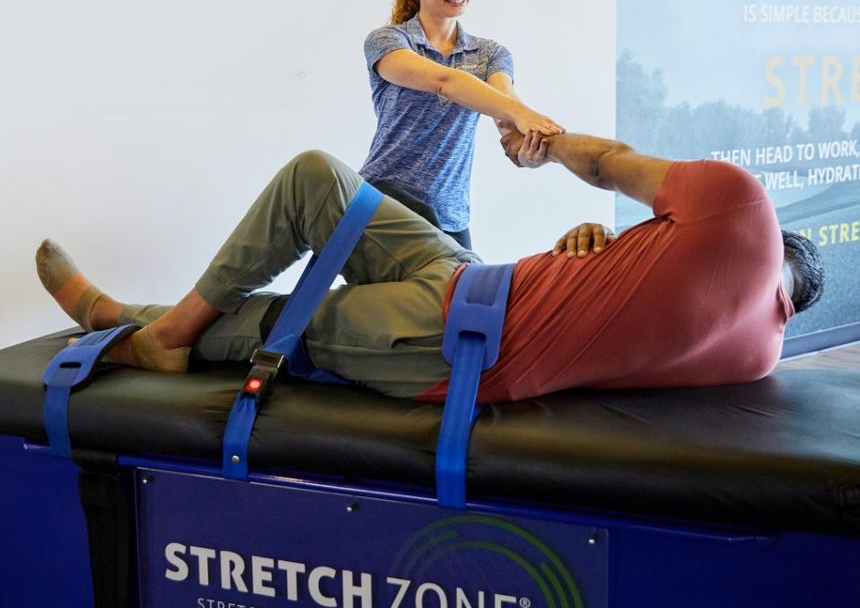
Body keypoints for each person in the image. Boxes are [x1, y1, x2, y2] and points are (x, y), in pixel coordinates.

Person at [36, 129, 824, 404]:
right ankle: (161, 327)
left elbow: (609, 161)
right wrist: (600, 245)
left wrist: (543, 143)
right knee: (319, 179)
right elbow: (632, 317)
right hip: (472, 277)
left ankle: (142, 328)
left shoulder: (741, 208)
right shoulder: (757, 356)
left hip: (450, 345)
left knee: (282, 317)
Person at [359, 0, 564, 248]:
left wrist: (529, 152)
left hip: (449, 216)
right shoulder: (389, 41)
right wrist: (521, 113)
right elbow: (445, 82)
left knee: (468, 283)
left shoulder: (490, 54)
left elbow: (506, 112)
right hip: (382, 203)